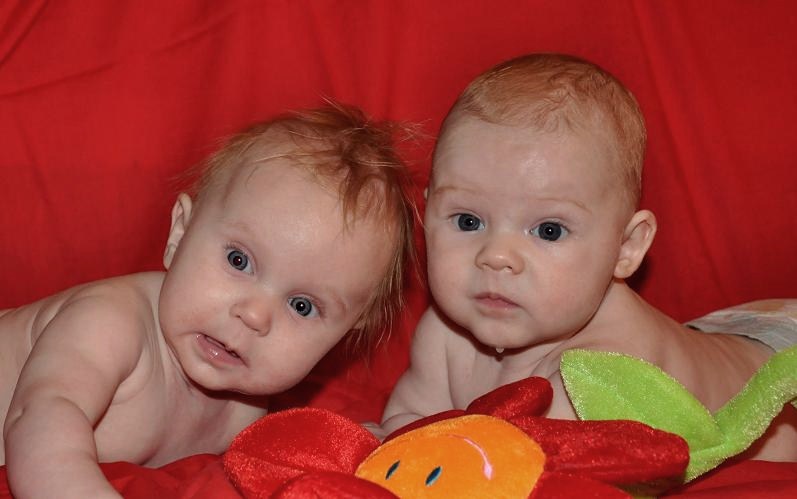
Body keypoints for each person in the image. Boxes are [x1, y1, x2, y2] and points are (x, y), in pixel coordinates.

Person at [379, 53, 797, 461]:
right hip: (714, 332)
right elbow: (405, 426)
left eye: (549, 230)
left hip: (779, 357)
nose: (497, 256)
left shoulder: (603, 366)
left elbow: (533, 470)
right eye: (468, 221)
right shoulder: (442, 335)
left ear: (626, 247)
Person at [1, 102, 417, 498]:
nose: (254, 315)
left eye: (301, 305)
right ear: (179, 234)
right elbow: (38, 420)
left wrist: (352, 451)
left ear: (345, 333)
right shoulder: (110, 323)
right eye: (239, 261)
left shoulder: (244, 408)